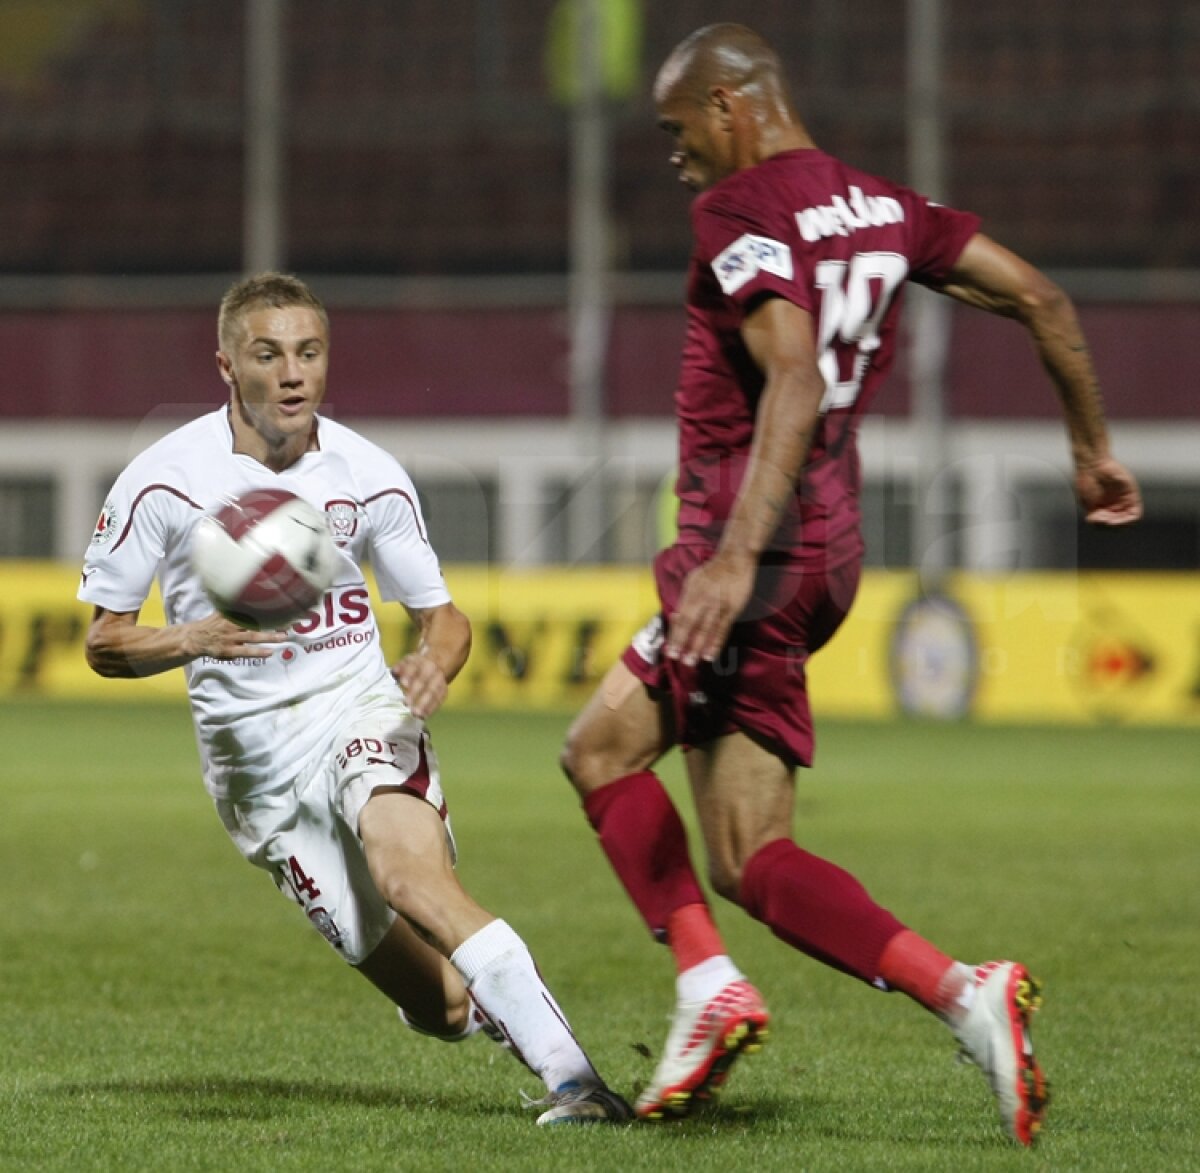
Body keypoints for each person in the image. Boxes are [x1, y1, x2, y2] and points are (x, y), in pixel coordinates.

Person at [560, 23, 1143, 1145]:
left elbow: (791, 371)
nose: (675, 155)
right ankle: (967, 997)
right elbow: (1044, 300)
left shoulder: (738, 210)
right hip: (827, 552)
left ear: (731, 106)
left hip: (754, 541)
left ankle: (706, 989)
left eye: (680, 130)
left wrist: (733, 553)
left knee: (595, 751)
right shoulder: (881, 206)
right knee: (748, 854)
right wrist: (1091, 447)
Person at [79, 272, 631, 1127]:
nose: (294, 374)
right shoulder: (164, 482)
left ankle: (578, 1081)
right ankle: (497, 1006)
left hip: (361, 712)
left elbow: (445, 620)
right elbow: (104, 641)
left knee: (410, 874)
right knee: (440, 1009)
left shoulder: (366, 474)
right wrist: (191, 637)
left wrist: (433, 666)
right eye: (270, 354)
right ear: (226, 364)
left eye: (309, 352)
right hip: (258, 776)